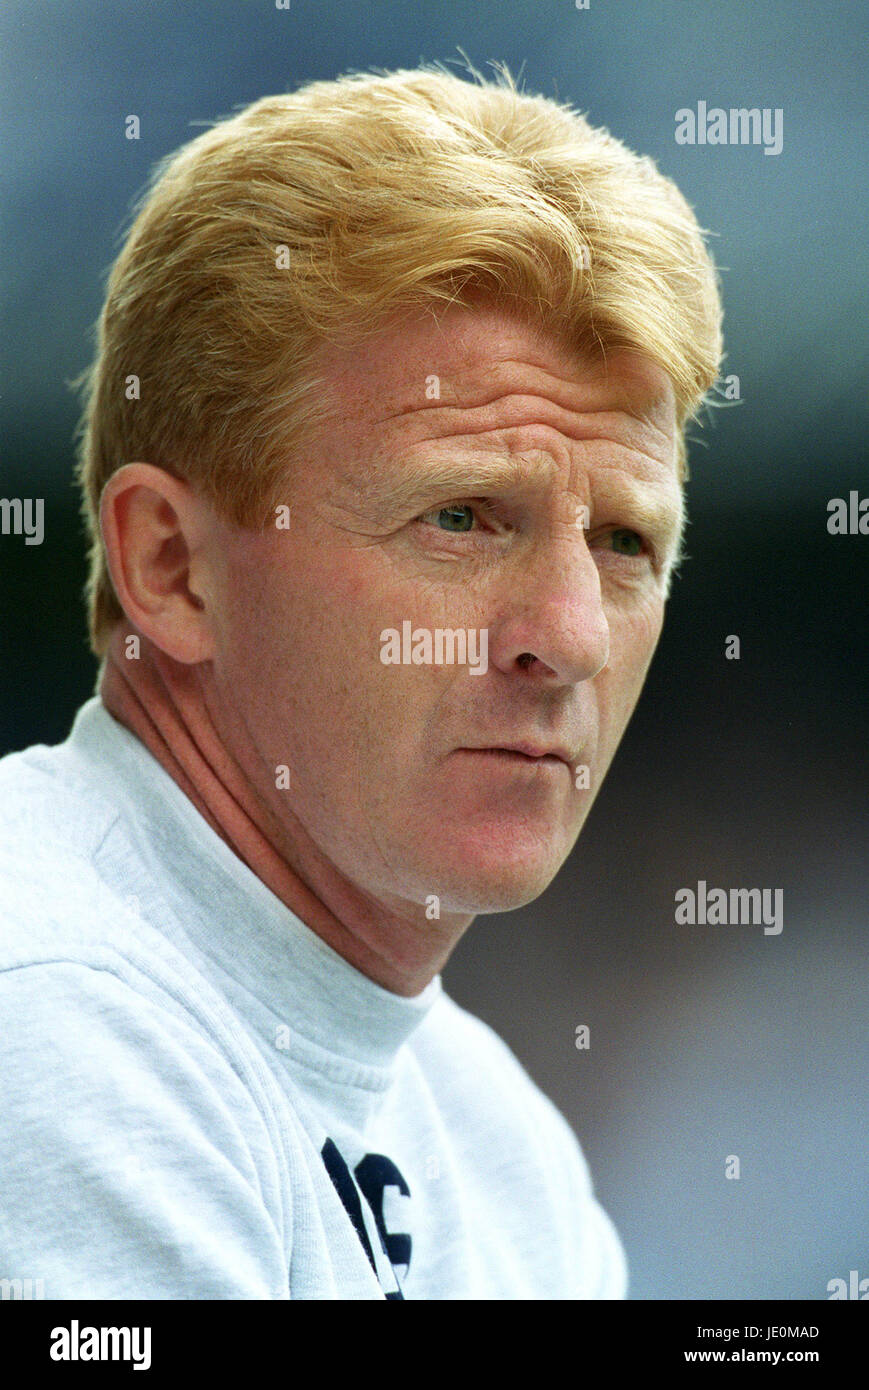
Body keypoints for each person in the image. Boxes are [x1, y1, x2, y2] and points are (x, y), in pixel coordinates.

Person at [0, 62, 723, 1299]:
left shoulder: (500, 1146)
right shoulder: (49, 1010)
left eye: (621, 543)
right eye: (460, 517)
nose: (569, 635)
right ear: (170, 568)